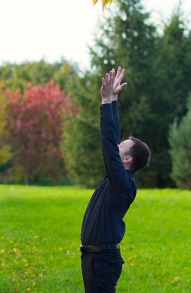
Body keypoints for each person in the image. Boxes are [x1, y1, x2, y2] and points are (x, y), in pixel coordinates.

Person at [80, 67, 151, 293]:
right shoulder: (118, 179)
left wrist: (105, 102)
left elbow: (109, 141)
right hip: (96, 259)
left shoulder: (122, 183)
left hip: (102, 261)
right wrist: (112, 99)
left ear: (127, 159)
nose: (117, 145)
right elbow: (114, 134)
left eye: (121, 147)